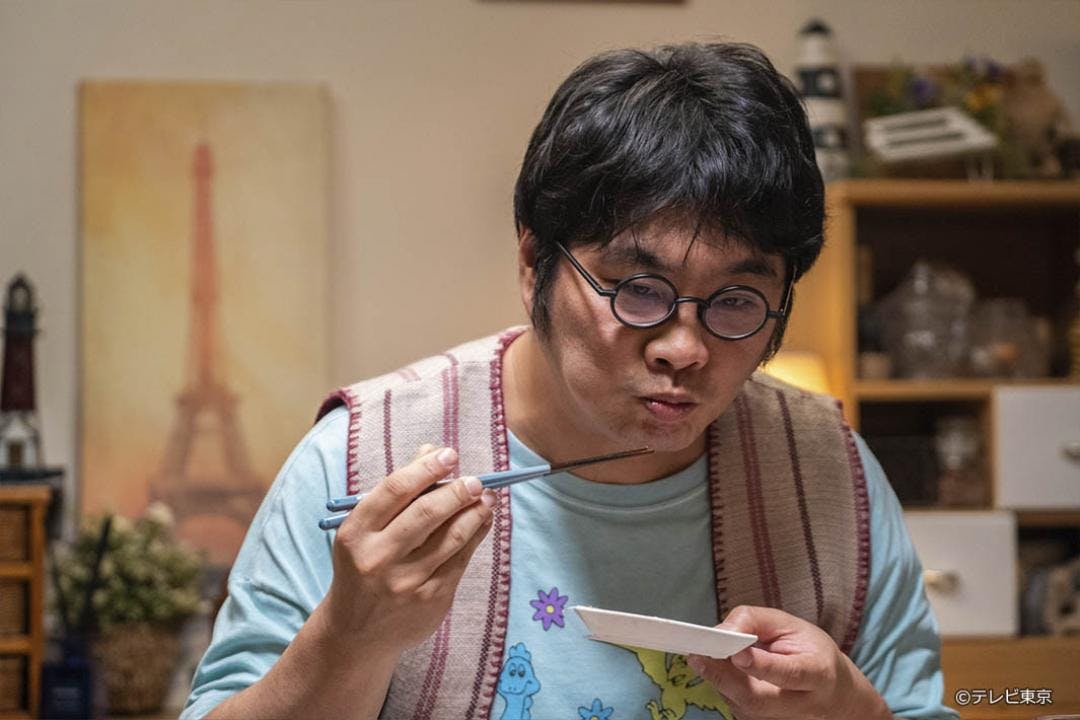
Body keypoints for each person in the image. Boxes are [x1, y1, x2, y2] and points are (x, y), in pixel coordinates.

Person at [182, 42, 957, 719]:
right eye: (639, 289)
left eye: (736, 301)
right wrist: (349, 639)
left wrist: (850, 710)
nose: (684, 348)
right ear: (534, 265)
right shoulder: (360, 457)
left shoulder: (828, 470)